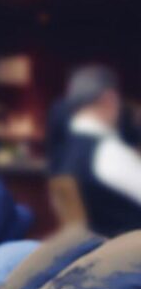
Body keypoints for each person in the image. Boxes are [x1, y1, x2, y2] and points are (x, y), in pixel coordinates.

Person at [50, 65, 141, 237]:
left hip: (98, 255)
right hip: (130, 256)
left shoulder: (65, 152)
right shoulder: (107, 151)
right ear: (109, 98)